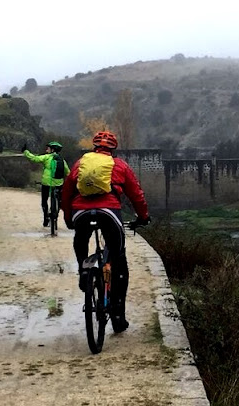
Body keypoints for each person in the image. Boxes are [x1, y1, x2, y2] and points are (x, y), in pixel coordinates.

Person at [61, 130, 150, 333]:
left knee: (81, 239)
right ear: (112, 149)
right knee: (118, 261)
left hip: (81, 213)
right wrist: (143, 216)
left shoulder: (80, 164)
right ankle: (118, 317)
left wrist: (68, 218)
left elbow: (66, 192)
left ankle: (84, 269)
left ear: (94, 147)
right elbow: (136, 194)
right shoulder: (119, 165)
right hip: (108, 212)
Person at [22, 141, 70, 227]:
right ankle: (55, 215)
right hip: (58, 183)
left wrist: (26, 151)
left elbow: (34, 158)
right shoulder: (62, 160)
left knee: (44, 201)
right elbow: (68, 172)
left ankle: (46, 217)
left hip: (47, 183)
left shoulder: (46, 157)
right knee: (58, 200)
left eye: (48, 148)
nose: (46, 149)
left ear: (52, 150)